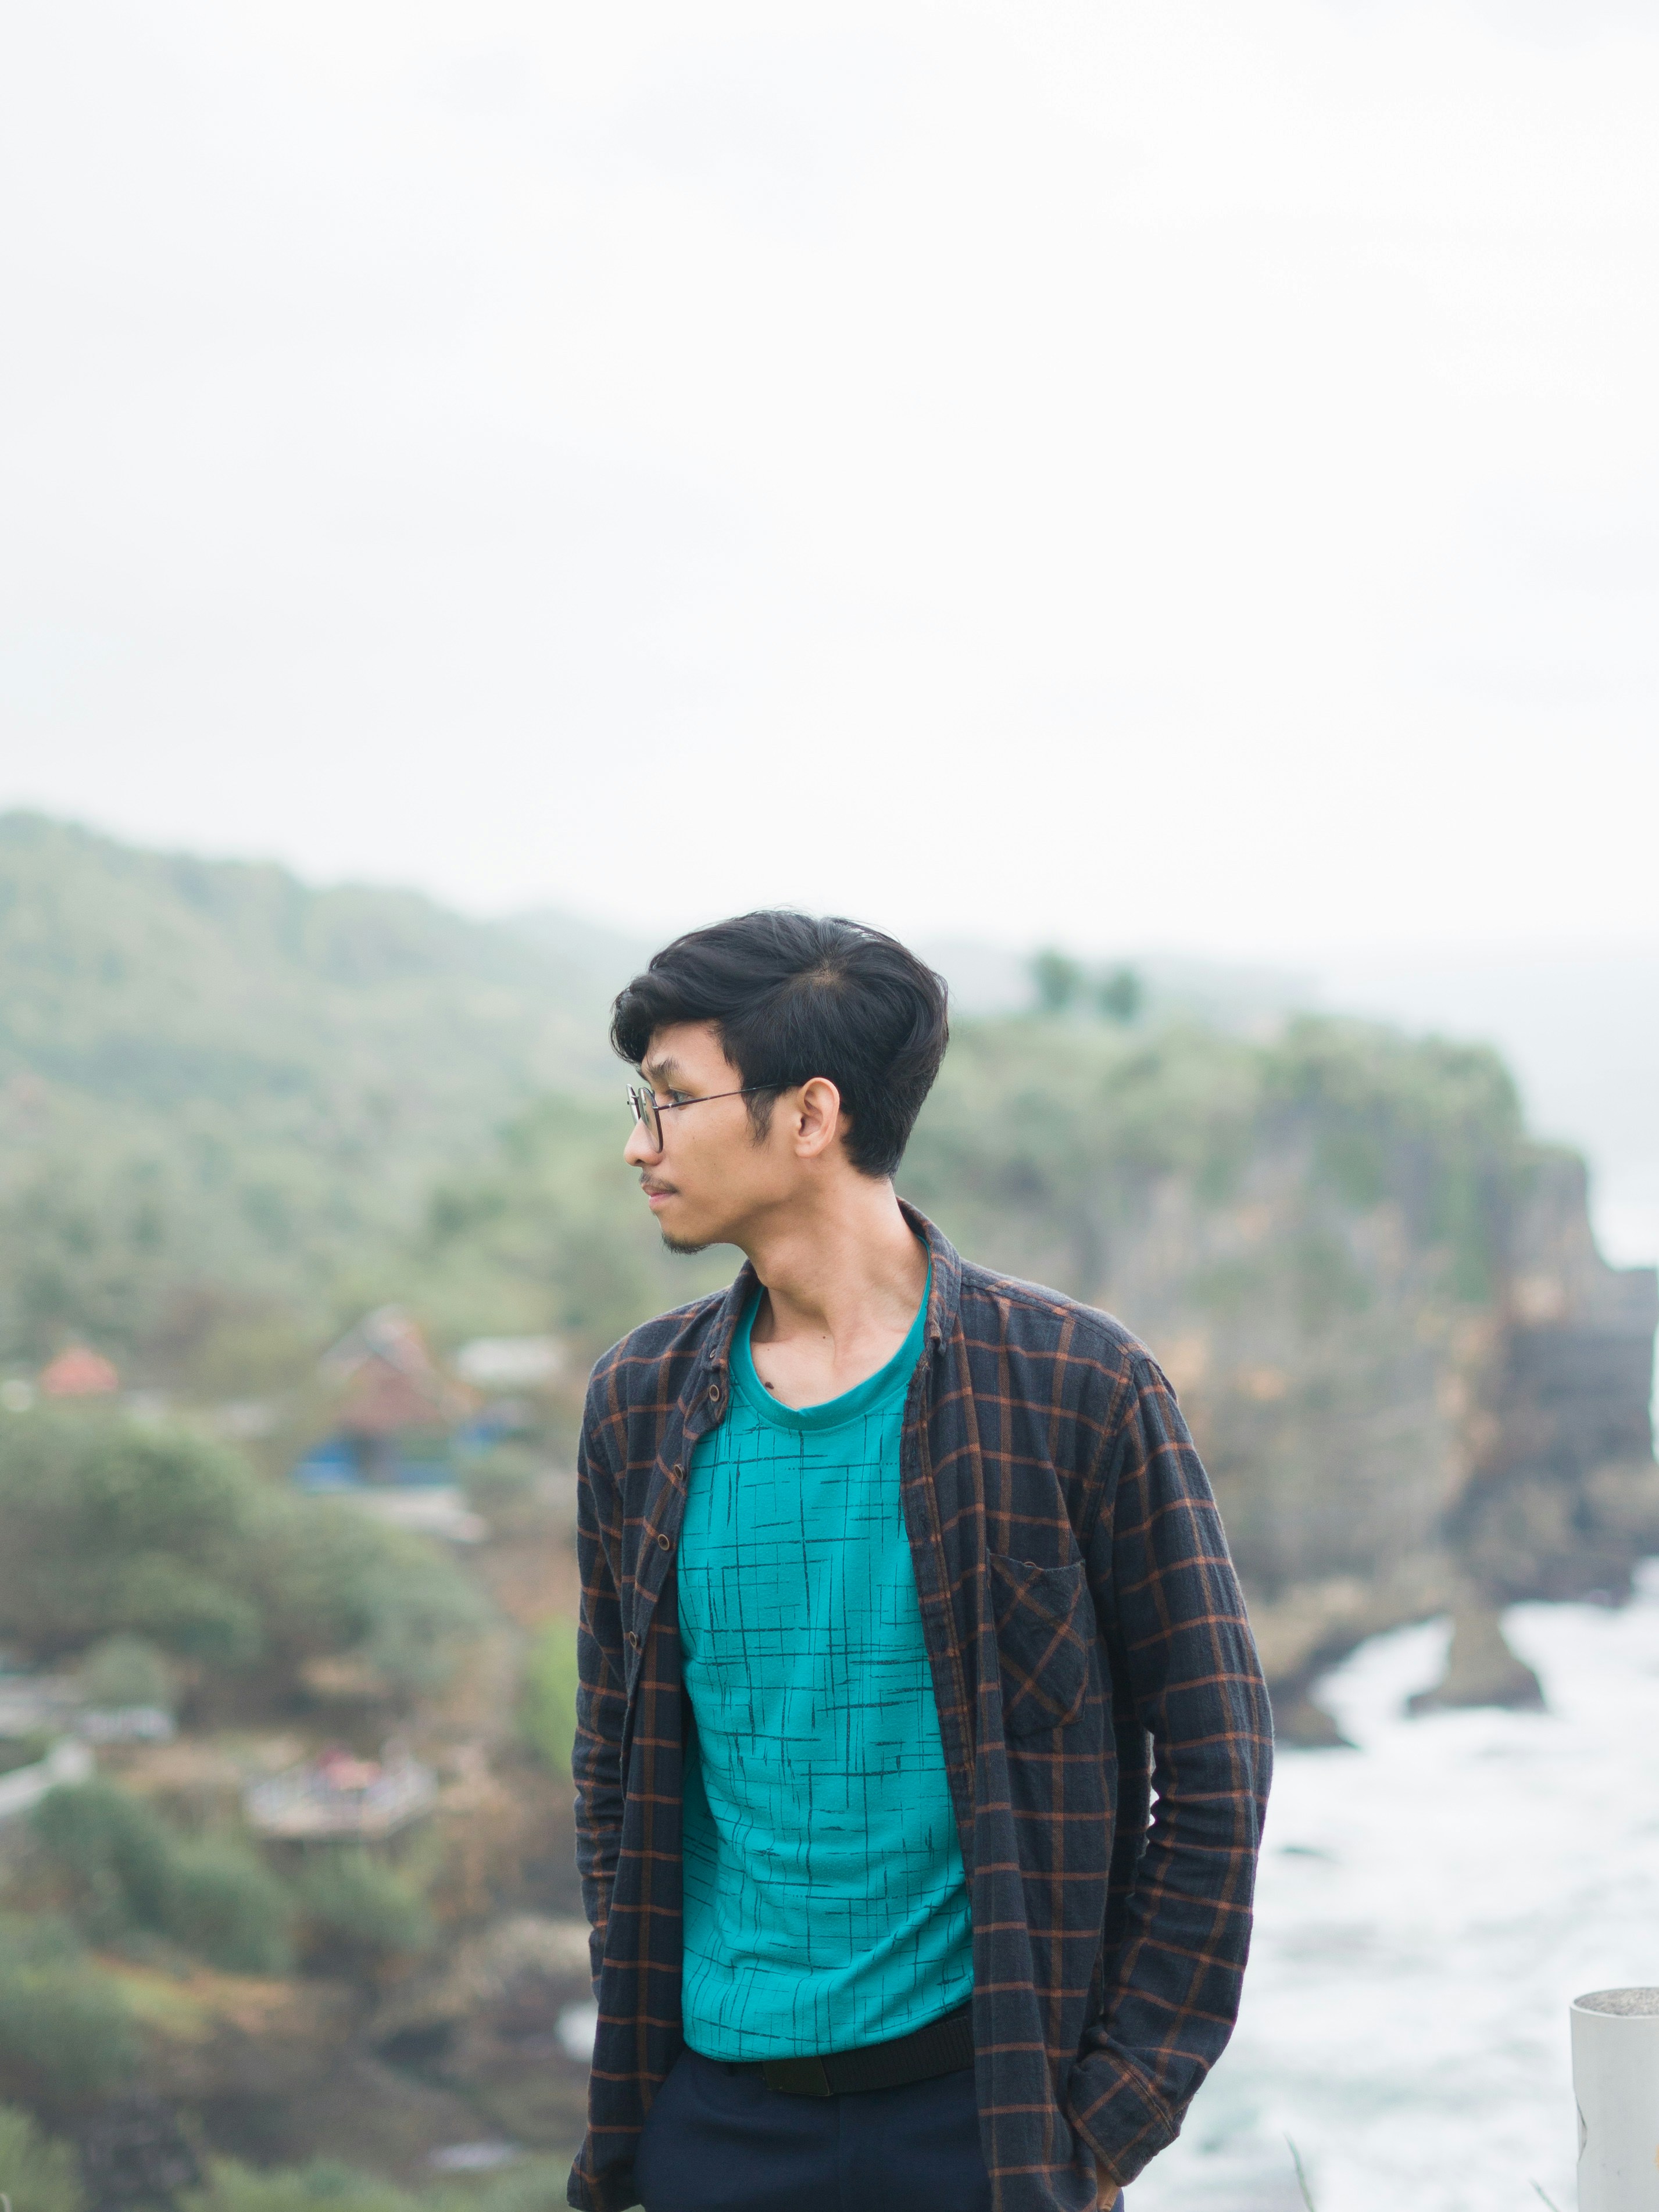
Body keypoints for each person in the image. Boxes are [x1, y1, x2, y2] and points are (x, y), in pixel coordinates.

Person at [567, 912, 1272, 2212]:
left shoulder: (1075, 1387)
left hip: (986, 2124)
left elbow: (1216, 1765)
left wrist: (1108, 2116)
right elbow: (613, 1769)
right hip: (713, 2123)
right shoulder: (639, 1405)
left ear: (809, 1114)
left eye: (670, 1101)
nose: (637, 1144)